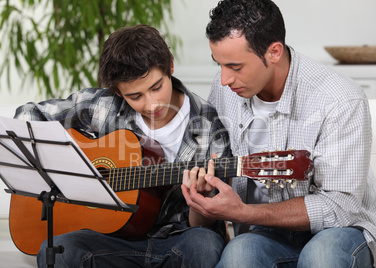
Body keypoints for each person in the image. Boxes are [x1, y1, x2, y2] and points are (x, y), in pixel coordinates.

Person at [181, 0, 376, 267]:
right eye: (219, 65)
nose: (224, 79)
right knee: (238, 255)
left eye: (235, 67)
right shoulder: (225, 89)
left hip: (344, 232)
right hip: (266, 232)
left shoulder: (340, 99)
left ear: (274, 52)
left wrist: (243, 212)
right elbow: (217, 166)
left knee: (321, 255)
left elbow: (340, 208)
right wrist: (204, 194)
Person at [14, 24, 231, 268]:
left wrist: (199, 201)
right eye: (135, 96)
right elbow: (28, 115)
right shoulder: (104, 106)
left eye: (156, 87)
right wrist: (64, 167)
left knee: (205, 246)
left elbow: (203, 226)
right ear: (118, 91)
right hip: (111, 239)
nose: (150, 104)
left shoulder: (209, 128)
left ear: (170, 65)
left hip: (175, 240)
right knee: (58, 250)